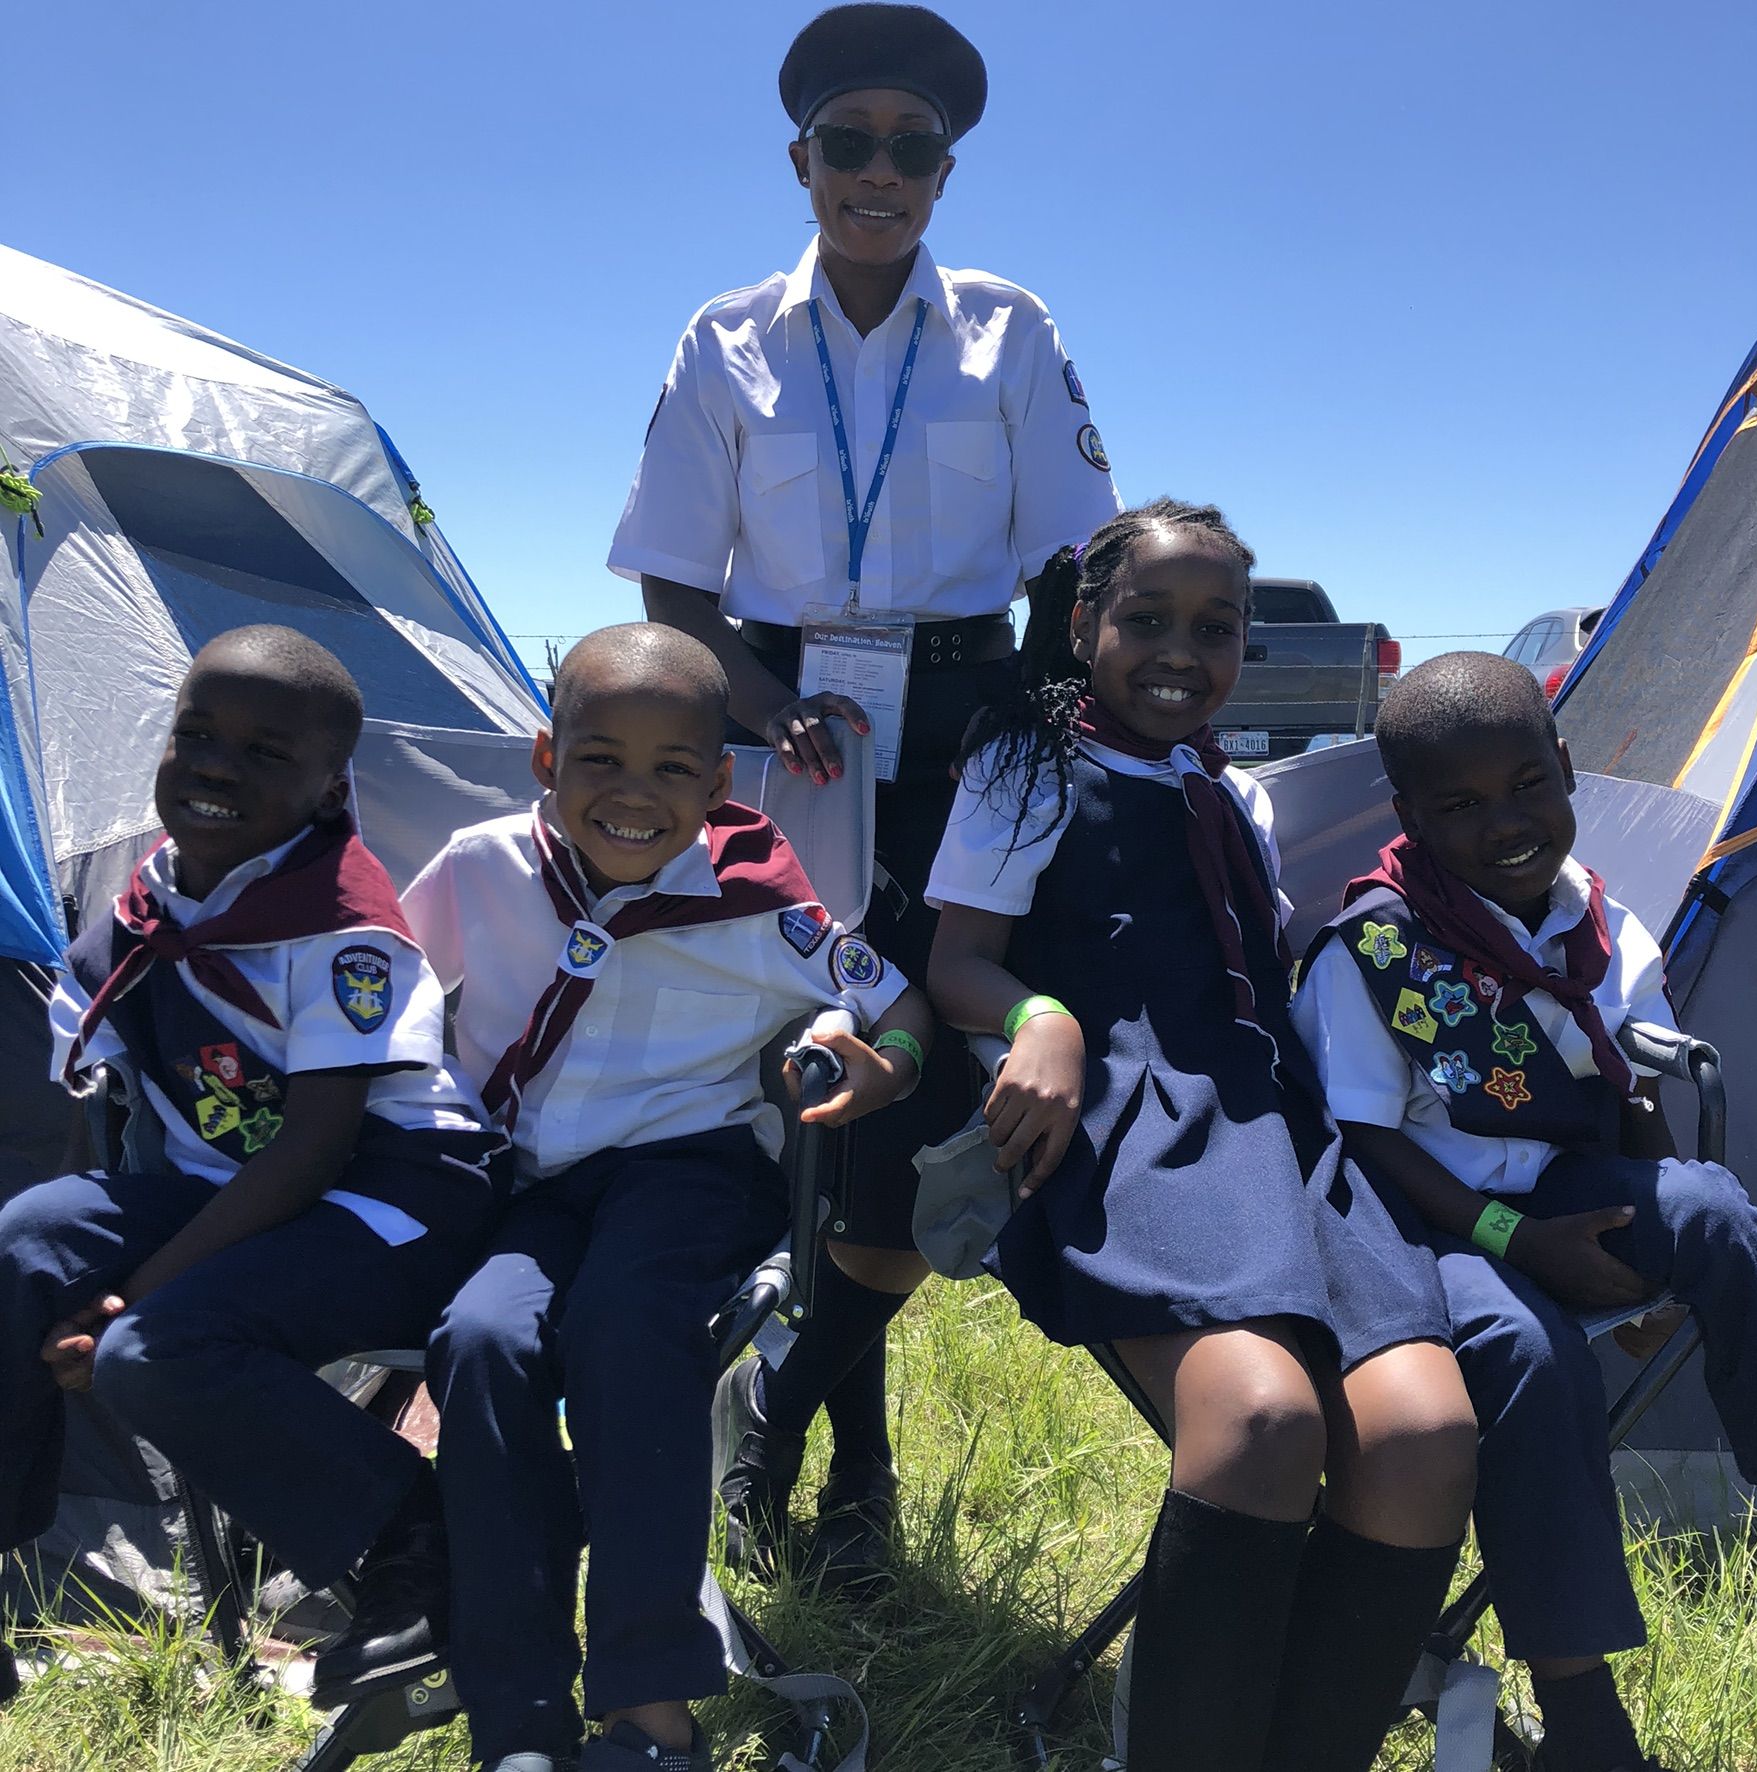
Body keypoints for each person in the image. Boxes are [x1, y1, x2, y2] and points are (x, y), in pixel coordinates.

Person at [608, 1, 1122, 1592]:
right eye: (851, 143)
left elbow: (1077, 565)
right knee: (813, 1081)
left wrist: (1018, 736)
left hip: (960, 740)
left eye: (912, 147)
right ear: (803, 162)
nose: (879, 171)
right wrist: (765, 712)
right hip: (789, 738)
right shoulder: (725, 341)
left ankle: (798, 1438)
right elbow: (672, 586)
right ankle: (851, 1465)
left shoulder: (1009, 332)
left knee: (917, 1080)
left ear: (945, 173)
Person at [923, 502, 1477, 1772]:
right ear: (1084, 624)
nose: (1180, 650)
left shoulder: (1234, 794)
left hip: (1279, 1124)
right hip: (1136, 1124)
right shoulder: (1025, 766)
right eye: (1147, 618)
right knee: (1260, 1419)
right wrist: (1039, 1015)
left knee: (1420, 1436)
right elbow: (955, 959)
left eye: (1215, 627)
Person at [400, 624, 932, 1772]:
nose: (633, 793)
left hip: (689, 1174)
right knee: (480, 1337)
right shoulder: (479, 866)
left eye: (672, 767)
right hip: (532, 1183)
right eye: (599, 758)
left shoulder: (761, 904)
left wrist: (880, 1063)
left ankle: (648, 1709)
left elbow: (898, 1003)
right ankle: (518, 1710)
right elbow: (388, 991)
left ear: (720, 780)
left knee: (626, 1323)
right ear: (545, 757)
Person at [0, 626, 504, 1710]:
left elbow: (313, 1145)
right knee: (27, 1233)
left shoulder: (338, 924)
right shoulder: (147, 906)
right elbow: (110, 1115)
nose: (218, 766)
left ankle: (418, 1535)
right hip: (232, 1192)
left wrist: (132, 1291)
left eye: (267, 752)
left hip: (391, 1197)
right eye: (196, 735)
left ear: (331, 788)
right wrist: (82, 1265)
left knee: (151, 1349)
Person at [1292, 650, 1757, 1772]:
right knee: (1526, 1350)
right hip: (1429, 1217)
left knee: (1716, 1210)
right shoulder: (1376, 950)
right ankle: (1581, 1715)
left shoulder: (1601, 921)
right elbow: (1364, 1138)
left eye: (1525, 786)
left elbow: (1629, 1092)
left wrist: (1662, 1255)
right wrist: (1516, 1240)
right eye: (1459, 806)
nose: (1505, 824)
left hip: (1560, 1181)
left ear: (1564, 768)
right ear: (1408, 815)